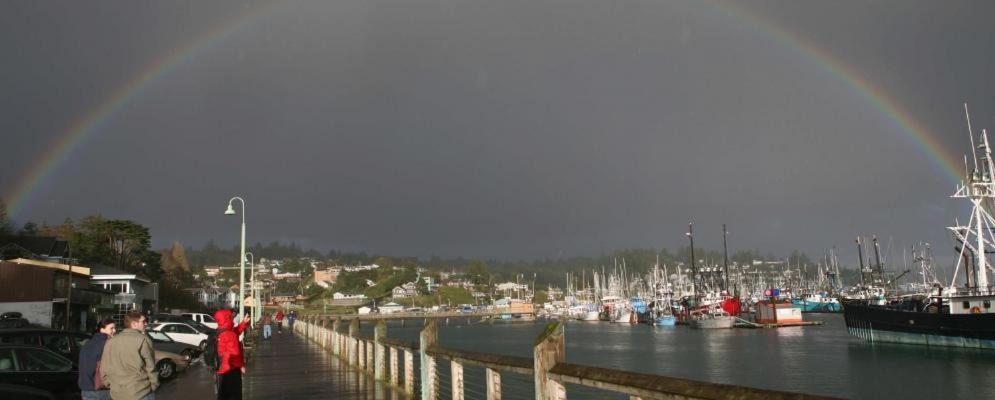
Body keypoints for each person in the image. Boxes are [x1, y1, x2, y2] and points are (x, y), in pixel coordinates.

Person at [101, 311, 158, 400]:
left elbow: (104, 367)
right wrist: (153, 385)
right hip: (141, 392)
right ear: (134, 324)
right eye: (143, 321)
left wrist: (109, 384)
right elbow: (151, 367)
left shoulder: (111, 341)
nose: (146, 323)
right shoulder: (143, 340)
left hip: (118, 393)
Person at [215, 308, 250, 400]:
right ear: (227, 318)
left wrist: (244, 323)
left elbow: (236, 332)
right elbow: (234, 353)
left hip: (223, 369)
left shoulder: (221, 330)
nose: (232, 318)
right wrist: (241, 366)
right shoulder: (229, 334)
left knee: (223, 395)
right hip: (232, 369)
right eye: (231, 317)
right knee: (235, 395)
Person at [78, 318, 116, 400]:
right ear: (102, 329)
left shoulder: (87, 343)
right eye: (111, 328)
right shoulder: (108, 344)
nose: (114, 330)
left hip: (85, 388)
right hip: (101, 389)